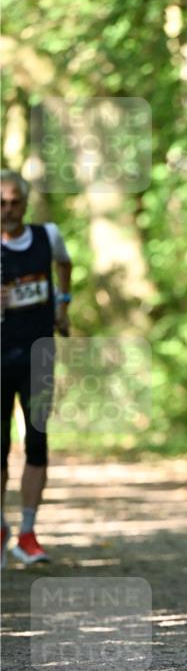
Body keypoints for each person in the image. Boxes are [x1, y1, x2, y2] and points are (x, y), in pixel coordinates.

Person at [1, 170, 72, 566]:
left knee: (37, 442)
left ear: (25, 203)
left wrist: (62, 304)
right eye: (1, 203)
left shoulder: (48, 236)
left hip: (38, 354)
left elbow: (64, 264)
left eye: (14, 202)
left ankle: (27, 533)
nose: (8, 210)